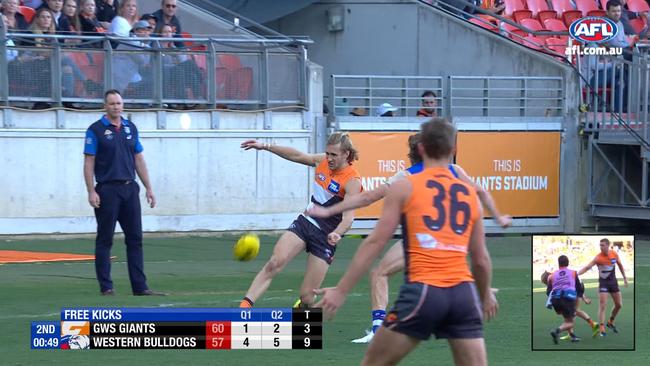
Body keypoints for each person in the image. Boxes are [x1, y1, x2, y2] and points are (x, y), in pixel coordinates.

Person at [316, 118, 498, 366]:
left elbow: (374, 241)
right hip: (463, 295)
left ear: (421, 150)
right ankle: (377, 324)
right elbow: (481, 259)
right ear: (453, 150)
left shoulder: (405, 184)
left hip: (425, 291)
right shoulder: (466, 188)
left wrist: (341, 290)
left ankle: (377, 326)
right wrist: (485, 293)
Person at [238, 132, 363, 308]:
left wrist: (337, 233)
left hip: (325, 237)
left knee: (307, 298)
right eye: (327, 153)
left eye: (334, 155)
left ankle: (302, 307)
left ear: (346, 154)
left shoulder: (352, 181)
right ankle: (245, 306)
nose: (329, 158)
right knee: (275, 262)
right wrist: (265, 146)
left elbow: (348, 218)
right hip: (306, 223)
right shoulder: (323, 162)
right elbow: (297, 155)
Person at [83, 89, 163, 296]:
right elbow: (88, 162)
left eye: (119, 103)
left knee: (135, 238)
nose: (116, 107)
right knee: (105, 239)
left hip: (130, 189)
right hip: (107, 190)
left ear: (122, 105)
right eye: (112, 104)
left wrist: (149, 188)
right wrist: (91, 191)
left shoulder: (130, 128)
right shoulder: (95, 130)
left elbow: (139, 159)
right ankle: (106, 287)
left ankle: (140, 287)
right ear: (105, 106)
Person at [577, 238, 628, 336]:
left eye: (603, 245)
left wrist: (625, 278)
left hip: (613, 283)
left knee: (619, 305)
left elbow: (620, 265)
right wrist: (577, 274)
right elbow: (587, 267)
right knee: (603, 305)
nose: (601, 247)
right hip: (603, 283)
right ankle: (601, 326)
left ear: (608, 245)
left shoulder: (614, 254)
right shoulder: (598, 258)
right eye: (600, 245)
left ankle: (610, 322)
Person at [547, 255, 582, 344]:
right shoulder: (573, 273)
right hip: (567, 298)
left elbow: (548, 292)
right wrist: (577, 305)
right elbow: (579, 289)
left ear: (558, 264)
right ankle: (557, 331)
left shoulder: (552, 275)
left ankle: (573, 336)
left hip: (555, 299)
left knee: (567, 318)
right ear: (568, 263)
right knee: (571, 322)